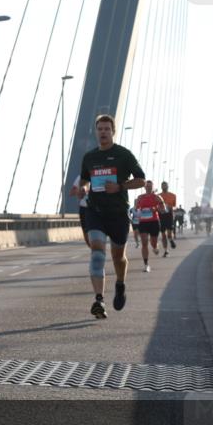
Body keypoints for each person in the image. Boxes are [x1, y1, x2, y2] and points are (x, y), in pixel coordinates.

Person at [69, 114, 145, 319]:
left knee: (118, 257)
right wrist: (82, 189)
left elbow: (141, 180)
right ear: (96, 132)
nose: (103, 132)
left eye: (107, 129)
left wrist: (120, 186)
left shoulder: (123, 155)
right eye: (100, 129)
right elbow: (84, 180)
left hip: (118, 213)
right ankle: (99, 299)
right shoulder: (90, 157)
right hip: (96, 211)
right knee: (97, 251)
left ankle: (120, 285)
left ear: (113, 132)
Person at [134, 181, 167, 273]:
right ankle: (146, 265)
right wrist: (137, 211)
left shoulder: (157, 197)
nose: (148, 188)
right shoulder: (140, 197)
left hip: (154, 222)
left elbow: (163, 210)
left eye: (150, 186)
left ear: (153, 187)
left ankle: (155, 246)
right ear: (144, 187)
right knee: (144, 242)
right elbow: (136, 208)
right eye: (147, 186)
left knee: (153, 243)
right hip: (143, 222)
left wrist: (155, 209)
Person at [157, 182, 177, 255]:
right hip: (161, 215)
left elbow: (175, 206)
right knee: (163, 235)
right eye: (163, 185)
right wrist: (159, 209)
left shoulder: (173, 195)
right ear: (161, 187)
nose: (164, 187)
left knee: (169, 233)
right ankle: (165, 250)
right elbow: (156, 206)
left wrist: (169, 207)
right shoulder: (158, 196)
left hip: (169, 215)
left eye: (165, 185)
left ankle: (171, 240)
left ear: (168, 186)